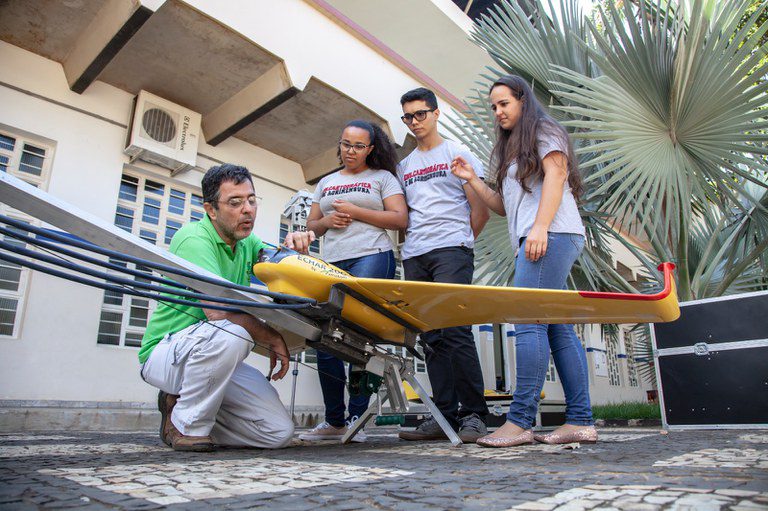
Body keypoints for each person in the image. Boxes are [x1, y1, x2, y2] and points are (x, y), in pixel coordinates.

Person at [450, 74, 597, 447]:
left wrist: (540, 227)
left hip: (552, 235)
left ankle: (520, 421)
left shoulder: (545, 129)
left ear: (523, 101)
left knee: (527, 323)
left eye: (504, 103)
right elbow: (502, 206)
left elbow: (557, 174)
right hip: (540, 237)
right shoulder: (509, 149)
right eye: (494, 107)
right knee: (557, 328)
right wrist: (471, 179)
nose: (498, 112)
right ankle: (580, 421)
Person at [139, 164, 316, 452]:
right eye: (235, 202)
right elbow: (218, 313)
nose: (247, 210)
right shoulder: (194, 238)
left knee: (278, 433)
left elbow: (274, 261)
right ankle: (186, 425)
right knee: (234, 332)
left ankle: (190, 409)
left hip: (209, 352)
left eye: (251, 200)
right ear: (211, 209)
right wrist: (271, 336)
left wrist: (293, 252)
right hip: (166, 354)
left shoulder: (246, 242)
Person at [299, 120, 407, 442]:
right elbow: (312, 226)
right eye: (346, 144)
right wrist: (328, 221)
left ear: (370, 149)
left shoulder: (382, 178)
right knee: (325, 338)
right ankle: (335, 421)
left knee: (356, 336)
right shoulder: (326, 182)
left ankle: (357, 417)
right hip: (332, 261)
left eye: (358, 146)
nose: (350, 151)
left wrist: (358, 212)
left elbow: (400, 219)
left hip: (372, 254)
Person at [395, 87, 491, 443]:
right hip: (416, 254)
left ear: (436, 114)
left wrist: (462, 242)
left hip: (451, 248)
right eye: (408, 116)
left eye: (421, 114)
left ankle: (475, 415)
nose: (415, 122)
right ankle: (443, 414)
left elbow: (478, 206)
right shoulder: (404, 166)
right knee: (431, 337)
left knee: (456, 330)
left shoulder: (456, 152)